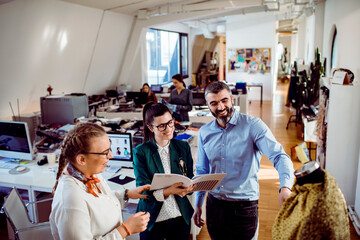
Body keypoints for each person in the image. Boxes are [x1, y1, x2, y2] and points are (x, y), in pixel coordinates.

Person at [193, 81, 294, 240]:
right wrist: (198, 203)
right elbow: (202, 171)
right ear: (207, 105)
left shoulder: (253, 126)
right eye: (214, 103)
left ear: (232, 99)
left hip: (244, 208)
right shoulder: (205, 132)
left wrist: (285, 187)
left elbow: (279, 156)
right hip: (214, 206)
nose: (220, 107)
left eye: (224, 100)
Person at [50, 123, 151, 240]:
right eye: (105, 152)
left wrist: (126, 194)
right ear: (82, 159)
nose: (111, 155)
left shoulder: (89, 173)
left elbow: (98, 203)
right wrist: (126, 229)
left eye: (110, 149)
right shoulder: (70, 200)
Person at [133, 102, 195, 240]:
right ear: (150, 127)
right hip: (154, 218)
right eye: (161, 126)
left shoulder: (183, 147)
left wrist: (190, 187)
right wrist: (170, 191)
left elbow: (189, 176)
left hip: (180, 215)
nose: (168, 129)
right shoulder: (141, 152)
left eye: (170, 123)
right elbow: (143, 191)